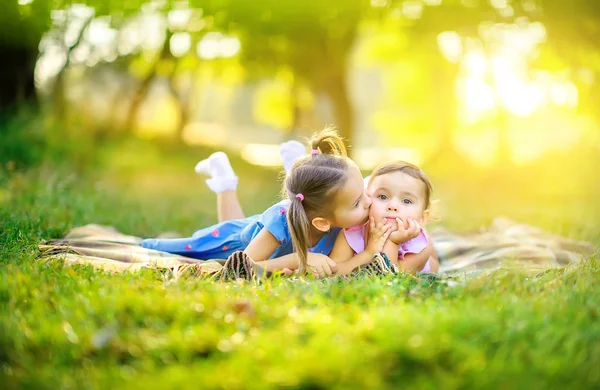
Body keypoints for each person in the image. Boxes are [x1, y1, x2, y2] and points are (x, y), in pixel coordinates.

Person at [141, 128, 377, 276]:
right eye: (358, 202)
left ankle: (225, 179)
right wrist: (298, 259)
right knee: (171, 247)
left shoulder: (339, 219)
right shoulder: (281, 223)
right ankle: (223, 180)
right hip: (235, 243)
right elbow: (244, 266)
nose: (369, 202)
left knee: (240, 222)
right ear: (322, 223)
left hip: (259, 229)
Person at [330, 161, 439, 275]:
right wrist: (368, 253)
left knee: (432, 255)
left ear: (423, 218)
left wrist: (392, 242)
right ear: (368, 199)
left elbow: (390, 276)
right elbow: (333, 271)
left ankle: (428, 236)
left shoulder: (420, 248)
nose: (392, 206)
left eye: (406, 201)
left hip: (425, 261)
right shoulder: (351, 234)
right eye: (382, 196)